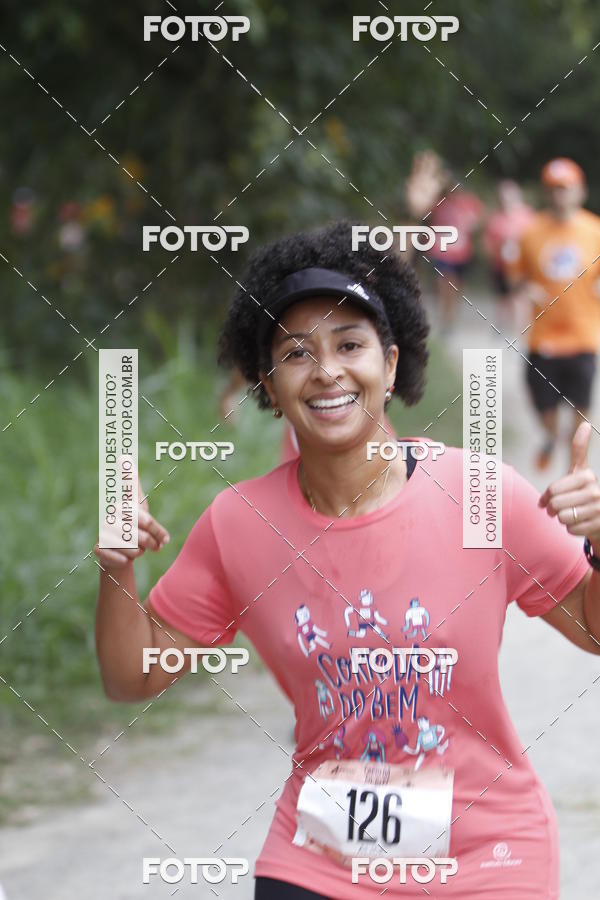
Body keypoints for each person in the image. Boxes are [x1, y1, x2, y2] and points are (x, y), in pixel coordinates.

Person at [95, 220, 600, 899]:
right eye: (297, 353)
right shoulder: (238, 524)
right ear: (268, 386)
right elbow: (134, 676)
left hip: (486, 858)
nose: (328, 370)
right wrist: (117, 566)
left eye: (350, 344)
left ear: (390, 366)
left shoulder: (480, 496)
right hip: (322, 860)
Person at [508, 157, 600, 470]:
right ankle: (550, 436)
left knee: (580, 406)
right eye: (552, 189)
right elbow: (515, 276)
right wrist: (525, 289)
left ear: (580, 191)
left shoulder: (594, 230)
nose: (558, 195)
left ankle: (575, 466)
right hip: (543, 337)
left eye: (564, 188)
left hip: (583, 336)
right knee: (542, 403)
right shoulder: (531, 232)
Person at [406, 151, 484, 332]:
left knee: (456, 285)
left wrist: (474, 227)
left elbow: (480, 222)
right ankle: (444, 316)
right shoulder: (438, 202)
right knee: (444, 282)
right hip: (441, 250)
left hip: (462, 252)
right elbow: (422, 216)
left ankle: (451, 315)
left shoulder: (469, 203)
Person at [483, 179, 534, 323]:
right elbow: (487, 242)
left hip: (521, 266)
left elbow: (534, 239)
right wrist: (495, 251)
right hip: (500, 265)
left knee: (519, 298)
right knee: (502, 298)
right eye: (503, 197)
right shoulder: (495, 218)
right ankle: (501, 328)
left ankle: (520, 331)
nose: (506, 200)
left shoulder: (527, 215)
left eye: (510, 196)